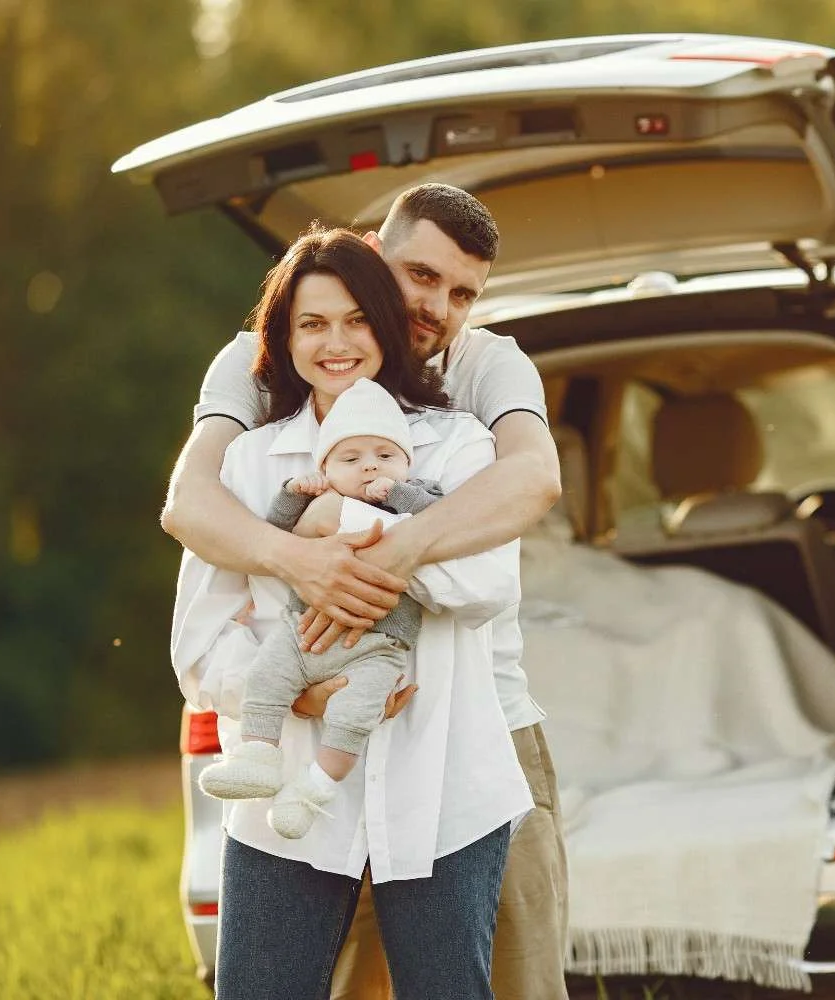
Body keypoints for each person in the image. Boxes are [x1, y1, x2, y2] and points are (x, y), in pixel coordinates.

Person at [161, 183, 570, 1000]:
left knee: (507, 982)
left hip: (463, 747)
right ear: (377, 258)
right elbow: (189, 521)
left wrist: (343, 522)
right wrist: (295, 565)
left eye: (462, 292)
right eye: (421, 276)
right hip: (297, 779)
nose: (436, 307)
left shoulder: (467, 415)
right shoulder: (255, 437)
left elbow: (515, 522)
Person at [196, 378, 448, 841]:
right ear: (326, 469)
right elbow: (273, 531)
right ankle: (257, 756)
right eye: (351, 459)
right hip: (302, 634)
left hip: (376, 647)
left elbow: (439, 517)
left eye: (386, 455)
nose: (370, 466)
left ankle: (312, 791)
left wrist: (394, 492)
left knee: (355, 715)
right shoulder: (313, 501)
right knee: (266, 677)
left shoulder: (418, 494)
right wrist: (295, 492)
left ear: (407, 462)